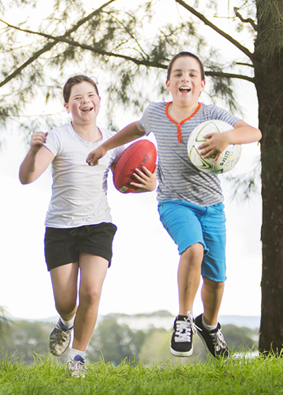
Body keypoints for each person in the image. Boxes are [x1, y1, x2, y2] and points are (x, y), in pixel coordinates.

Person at [87, 52, 262, 359]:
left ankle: (208, 325)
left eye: (193, 74)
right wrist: (105, 146)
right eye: (179, 74)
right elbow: (136, 129)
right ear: (168, 83)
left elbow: (254, 132)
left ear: (202, 84)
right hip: (174, 202)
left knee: (217, 281)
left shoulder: (212, 116)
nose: (186, 78)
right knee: (193, 249)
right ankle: (183, 318)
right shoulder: (156, 113)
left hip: (212, 206)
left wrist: (227, 137)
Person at [19, 75, 156, 378]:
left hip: (98, 226)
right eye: (77, 97)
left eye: (90, 95)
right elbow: (27, 177)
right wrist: (32, 151)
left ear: (99, 100)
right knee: (66, 302)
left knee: (91, 293)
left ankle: (78, 358)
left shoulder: (112, 142)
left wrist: (151, 183)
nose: (85, 101)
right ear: (67, 105)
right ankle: (65, 321)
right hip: (60, 229)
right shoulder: (57, 137)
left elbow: (137, 177)